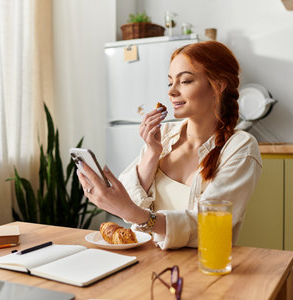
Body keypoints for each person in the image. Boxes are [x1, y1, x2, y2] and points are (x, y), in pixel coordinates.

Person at [77, 41, 262, 250]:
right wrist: (151, 154)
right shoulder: (164, 134)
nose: (172, 92)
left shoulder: (240, 147)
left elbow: (209, 226)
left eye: (185, 81)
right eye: (169, 82)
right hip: (145, 260)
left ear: (218, 86)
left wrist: (136, 214)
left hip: (201, 268)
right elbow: (129, 207)